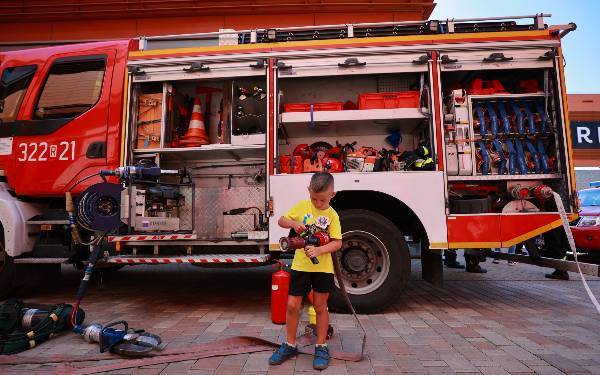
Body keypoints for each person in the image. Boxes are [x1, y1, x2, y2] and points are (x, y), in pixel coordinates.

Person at [268, 172, 343, 370]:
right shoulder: (303, 206)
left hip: (323, 268)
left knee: (320, 306)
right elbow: (281, 220)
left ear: (332, 195)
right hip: (301, 265)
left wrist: (319, 249)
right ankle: (290, 344)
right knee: (292, 305)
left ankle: (321, 346)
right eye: (314, 198)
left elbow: (338, 242)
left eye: (323, 199)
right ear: (309, 190)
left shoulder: (333, 215)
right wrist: (293, 224)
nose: (318, 203)